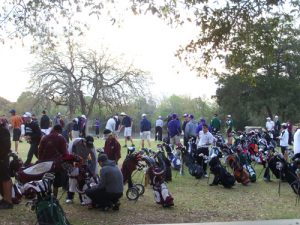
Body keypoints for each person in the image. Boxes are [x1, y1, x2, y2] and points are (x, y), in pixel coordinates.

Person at [38, 124, 68, 198]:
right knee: (56, 183)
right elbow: (65, 153)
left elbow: (39, 150)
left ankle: (46, 197)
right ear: (60, 131)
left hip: (45, 164)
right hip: (56, 165)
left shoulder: (44, 137)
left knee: (46, 181)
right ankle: (54, 198)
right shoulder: (61, 138)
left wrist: (41, 160)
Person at [66, 136, 97, 204]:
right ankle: (70, 197)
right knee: (72, 179)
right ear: (84, 141)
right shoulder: (75, 143)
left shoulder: (91, 146)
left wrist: (93, 171)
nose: (88, 147)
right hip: (74, 162)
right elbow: (69, 154)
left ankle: (82, 199)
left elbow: (94, 159)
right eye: (87, 144)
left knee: (83, 180)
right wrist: (71, 167)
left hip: (84, 163)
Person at [0, 118, 13, 209]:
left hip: (3, 159)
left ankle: (8, 201)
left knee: (5, 179)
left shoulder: (4, 131)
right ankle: (4, 199)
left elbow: (6, 146)